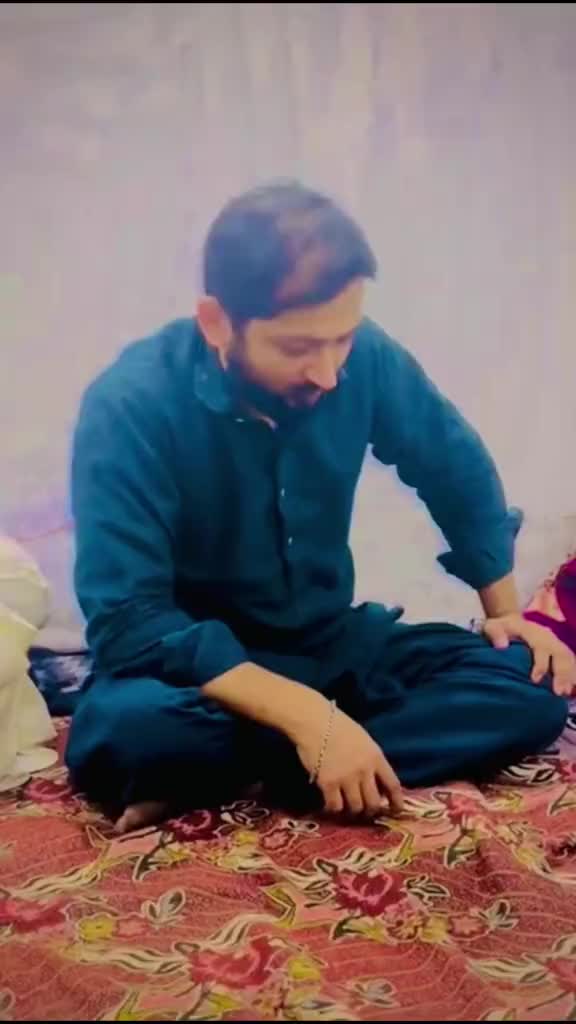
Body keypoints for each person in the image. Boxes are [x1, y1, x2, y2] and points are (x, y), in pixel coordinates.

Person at [67, 181, 575, 833]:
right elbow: (130, 618)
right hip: (201, 673)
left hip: (329, 645)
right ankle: (320, 752)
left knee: (531, 686)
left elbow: (453, 466)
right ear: (218, 322)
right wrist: (311, 718)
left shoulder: (363, 356)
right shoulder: (129, 403)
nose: (329, 373)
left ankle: (264, 770)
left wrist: (505, 615)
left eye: (342, 340)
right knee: (126, 735)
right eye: (298, 349)